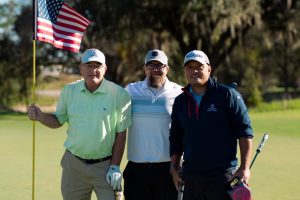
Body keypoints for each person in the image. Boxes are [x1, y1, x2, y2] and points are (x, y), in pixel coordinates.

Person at [28, 48, 131, 200]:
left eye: (98, 65)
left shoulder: (119, 94)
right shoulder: (69, 91)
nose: (93, 70)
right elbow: (58, 121)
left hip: (105, 166)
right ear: (81, 68)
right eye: (89, 65)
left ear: (105, 68)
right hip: (74, 165)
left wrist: (115, 167)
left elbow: (121, 133)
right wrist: (40, 116)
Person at [169, 50, 254, 200]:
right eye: (189, 67)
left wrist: (244, 167)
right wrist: (174, 167)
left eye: (199, 67)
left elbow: (244, 132)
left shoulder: (227, 95)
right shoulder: (180, 101)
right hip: (191, 177)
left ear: (209, 69)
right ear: (184, 71)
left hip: (222, 176)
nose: (194, 71)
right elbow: (176, 137)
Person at [123, 49, 182, 200]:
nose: (155, 69)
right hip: (136, 169)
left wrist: (179, 165)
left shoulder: (179, 93)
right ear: (144, 69)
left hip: (167, 170)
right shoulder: (131, 91)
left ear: (167, 69)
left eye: (159, 66)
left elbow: (185, 131)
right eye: (151, 66)